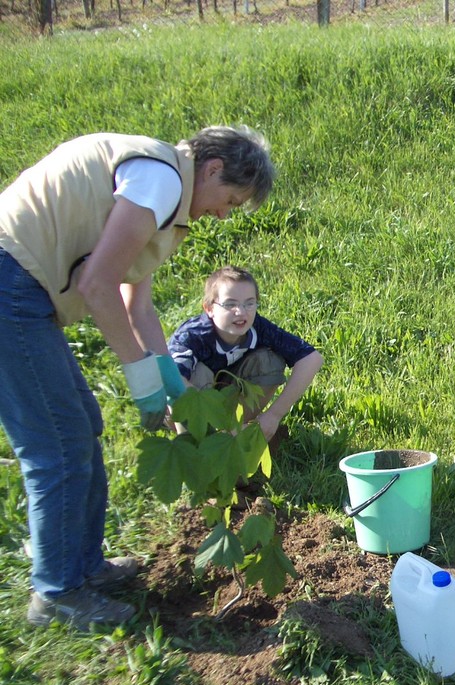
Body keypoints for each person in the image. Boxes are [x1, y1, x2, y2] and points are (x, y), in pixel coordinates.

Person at [0, 126, 276, 631]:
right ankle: (57, 591)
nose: (223, 215)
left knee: (81, 427)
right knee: (58, 444)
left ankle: (84, 568)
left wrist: (169, 377)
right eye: (230, 201)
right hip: (9, 281)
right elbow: (97, 284)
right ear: (213, 169)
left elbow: (138, 306)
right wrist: (142, 378)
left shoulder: (163, 193)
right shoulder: (160, 181)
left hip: (21, 284)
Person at [167, 265, 323, 446]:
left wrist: (274, 415)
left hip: (229, 397)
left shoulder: (257, 328)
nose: (241, 312)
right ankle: (194, 444)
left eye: (249, 303)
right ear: (209, 308)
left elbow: (311, 359)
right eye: (230, 304)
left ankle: (234, 434)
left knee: (270, 361)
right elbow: (170, 378)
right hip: (185, 406)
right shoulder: (193, 336)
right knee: (198, 373)